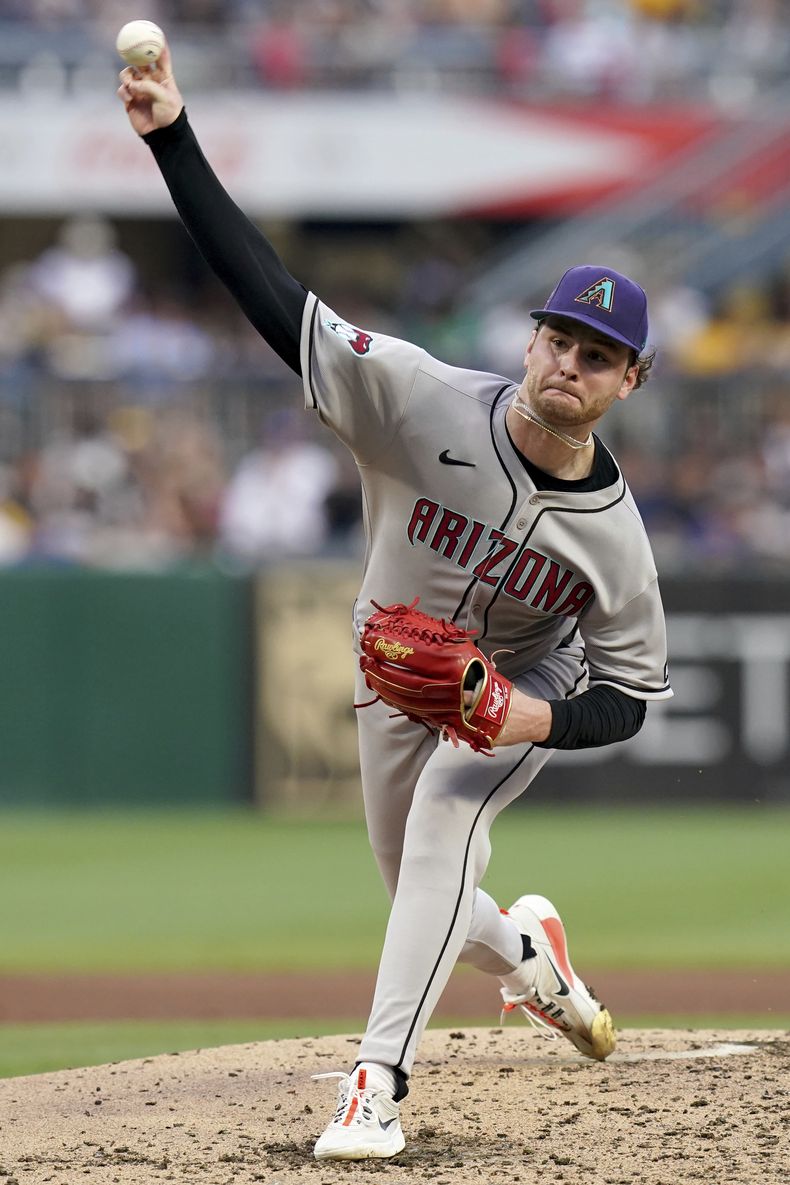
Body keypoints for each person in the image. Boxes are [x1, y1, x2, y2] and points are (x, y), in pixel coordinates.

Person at [118, 43, 672, 1164]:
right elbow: (270, 295)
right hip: (393, 673)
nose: (571, 363)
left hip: (514, 691)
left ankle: (374, 1090)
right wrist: (170, 135)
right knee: (423, 893)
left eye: (599, 356)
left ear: (629, 383)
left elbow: (629, 692)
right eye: (560, 338)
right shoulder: (415, 398)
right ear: (530, 338)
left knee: (441, 830)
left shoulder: (616, 542)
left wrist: (529, 719)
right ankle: (533, 962)